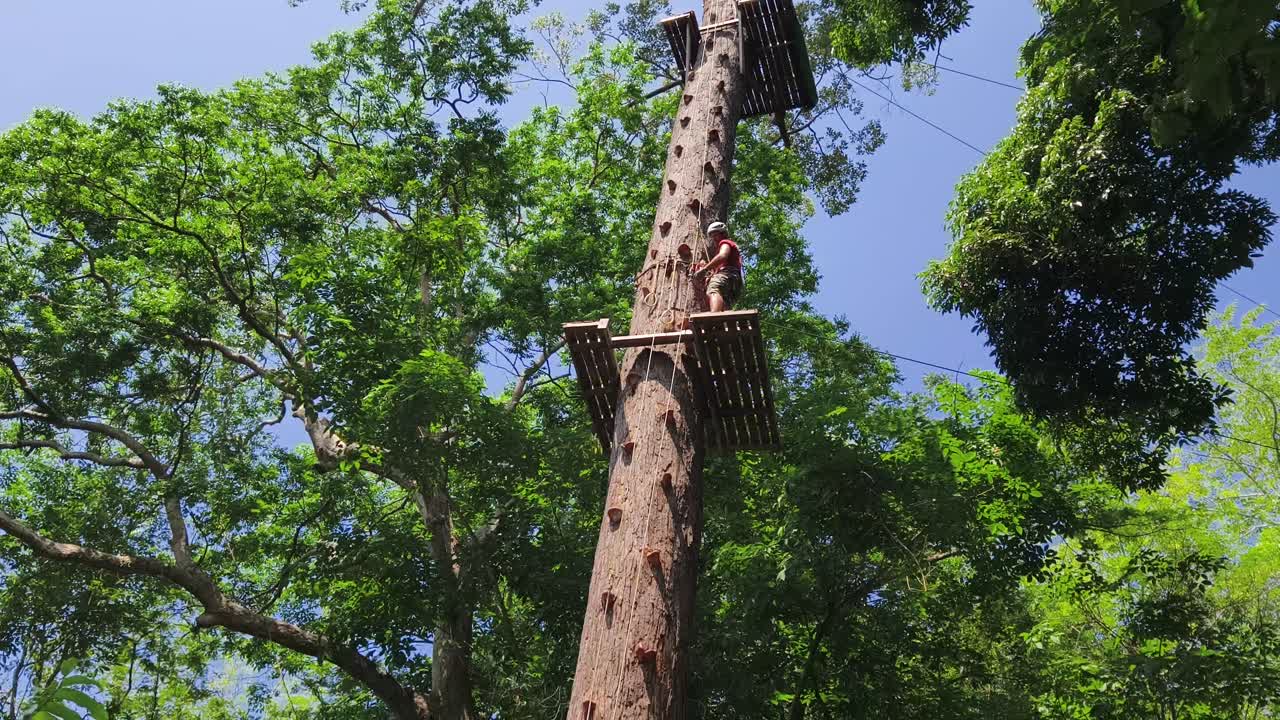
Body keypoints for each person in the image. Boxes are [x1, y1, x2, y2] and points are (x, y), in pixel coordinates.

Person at [692, 221, 743, 313]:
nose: (714, 238)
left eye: (716, 235)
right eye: (712, 236)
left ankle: (714, 315)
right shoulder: (730, 249)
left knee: (713, 288)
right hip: (735, 279)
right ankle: (723, 319)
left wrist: (705, 269)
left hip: (728, 273)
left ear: (723, 233)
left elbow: (723, 255)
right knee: (726, 299)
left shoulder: (725, 243)